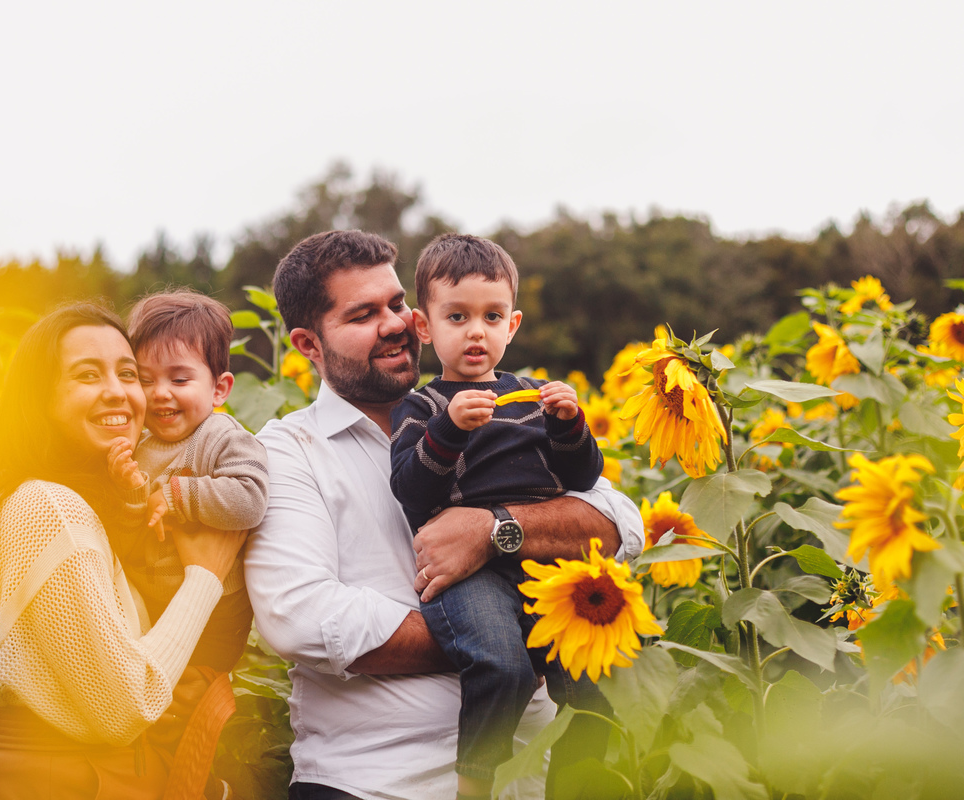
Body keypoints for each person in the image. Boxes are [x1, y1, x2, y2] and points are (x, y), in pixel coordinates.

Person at [244, 230, 645, 800]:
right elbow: (301, 615)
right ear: (309, 344)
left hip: (527, 781)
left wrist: (496, 531)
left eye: (396, 304)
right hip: (375, 781)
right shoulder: (289, 450)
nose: (394, 324)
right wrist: (503, 643)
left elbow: (619, 522)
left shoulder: (501, 405)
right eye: (363, 314)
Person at [0, 302, 245, 799]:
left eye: (127, 373)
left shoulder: (56, 505)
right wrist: (205, 578)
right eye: (87, 375)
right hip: (67, 779)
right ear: (40, 399)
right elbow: (125, 706)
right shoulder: (45, 508)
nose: (118, 391)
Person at [389, 234, 603, 800]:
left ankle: (581, 783)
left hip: (543, 559)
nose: (476, 331)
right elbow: (410, 488)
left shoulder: (533, 397)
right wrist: (451, 429)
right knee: (502, 667)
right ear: (424, 326)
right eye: (456, 316)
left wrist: (568, 425)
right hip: (471, 574)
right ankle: (475, 784)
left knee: (591, 673)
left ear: (513, 325)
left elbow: (583, 479)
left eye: (492, 316)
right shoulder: (424, 406)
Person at [106, 289, 267, 670]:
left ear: (219, 388)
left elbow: (250, 499)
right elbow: (130, 528)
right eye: (145, 380)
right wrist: (129, 492)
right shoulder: (137, 443)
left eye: (179, 380)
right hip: (148, 605)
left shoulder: (221, 436)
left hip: (215, 614)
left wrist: (177, 496)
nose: (161, 393)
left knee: (194, 696)